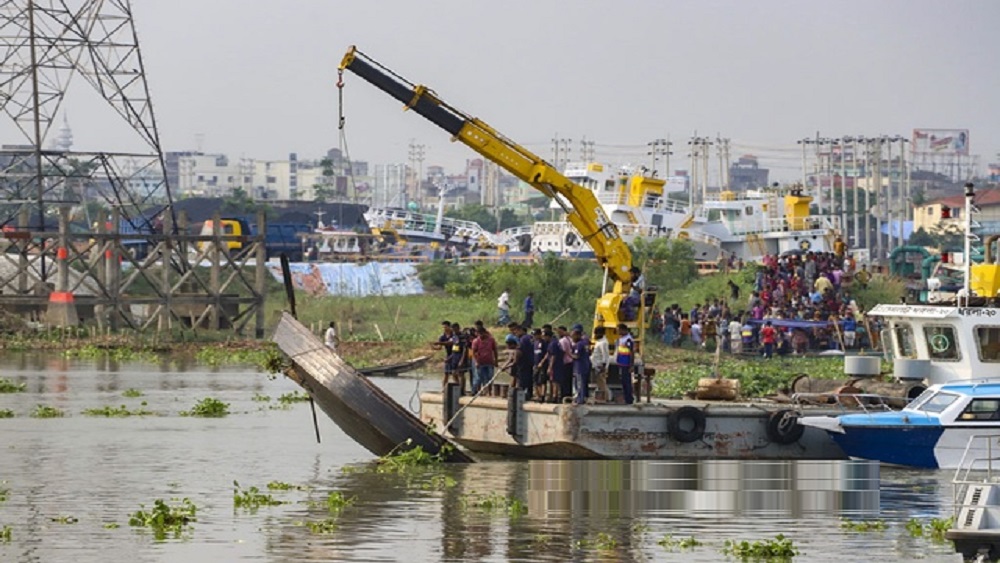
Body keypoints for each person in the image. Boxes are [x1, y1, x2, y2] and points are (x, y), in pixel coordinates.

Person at [470, 326, 498, 395]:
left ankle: (489, 392)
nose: (480, 335)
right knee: (478, 378)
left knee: (490, 377)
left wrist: (496, 360)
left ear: (485, 333)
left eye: (481, 334)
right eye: (479, 334)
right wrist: (476, 362)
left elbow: (495, 350)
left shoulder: (491, 340)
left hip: (489, 362)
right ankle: (474, 391)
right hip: (480, 362)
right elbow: (473, 352)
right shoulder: (476, 341)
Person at [613, 323, 636, 405]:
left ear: (624, 330)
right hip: (622, 363)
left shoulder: (628, 340)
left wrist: (631, 365)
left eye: (618, 330)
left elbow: (632, 353)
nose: (617, 332)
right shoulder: (621, 339)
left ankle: (629, 399)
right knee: (623, 382)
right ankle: (626, 398)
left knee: (627, 382)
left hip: (626, 364)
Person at [570, 328, 591, 405]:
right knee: (583, 383)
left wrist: (569, 354)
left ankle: (580, 399)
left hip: (580, 366)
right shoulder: (585, 342)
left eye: (573, 336)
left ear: (578, 335)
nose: (572, 338)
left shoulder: (579, 344)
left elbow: (576, 356)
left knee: (580, 383)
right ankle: (583, 397)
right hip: (585, 365)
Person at [590, 326, 611, 403]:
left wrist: (604, 367)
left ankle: (607, 397)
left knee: (602, 383)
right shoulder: (599, 342)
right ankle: (603, 397)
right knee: (599, 383)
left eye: (596, 334)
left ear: (601, 333)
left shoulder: (603, 343)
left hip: (600, 366)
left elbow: (605, 355)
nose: (595, 335)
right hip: (596, 365)